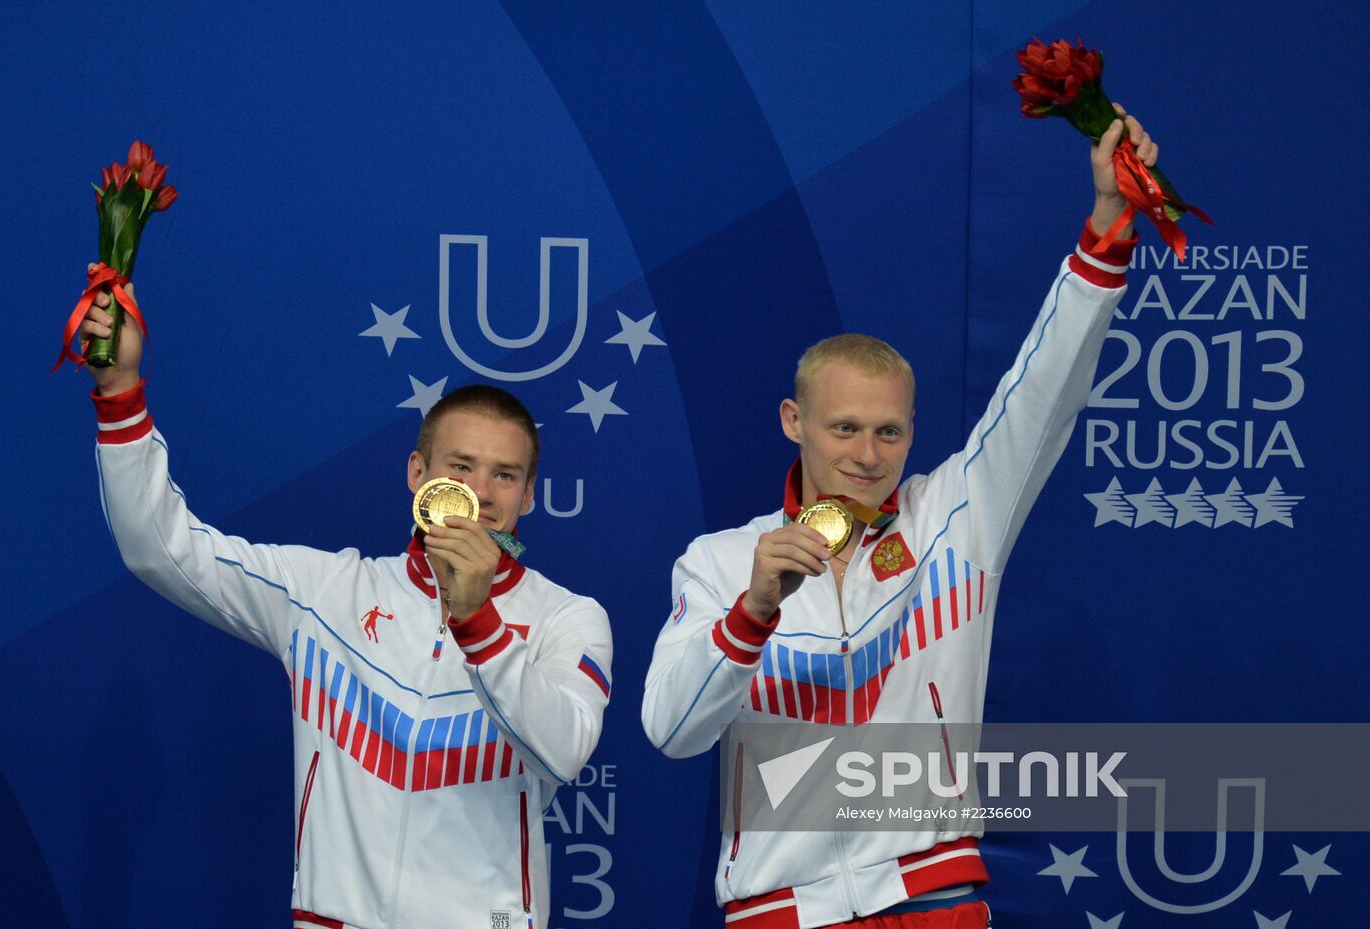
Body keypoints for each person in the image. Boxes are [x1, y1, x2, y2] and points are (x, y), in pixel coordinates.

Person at [642, 107, 1158, 928]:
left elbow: (1044, 392)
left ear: (912, 433)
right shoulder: (719, 560)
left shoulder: (956, 513)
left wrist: (1106, 227)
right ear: (793, 421)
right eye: (844, 427)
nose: (868, 453)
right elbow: (671, 730)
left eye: (890, 430)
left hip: (931, 896)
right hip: (782, 911)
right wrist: (753, 612)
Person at [77, 293, 613, 929]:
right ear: (419, 474)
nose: (479, 494)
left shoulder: (568, 619)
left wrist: (478, 624)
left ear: (528, 496)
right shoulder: (329, 593)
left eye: (504, 476)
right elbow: (160, 548)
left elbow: (562, 753)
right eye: (460, 466)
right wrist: (120, 390)